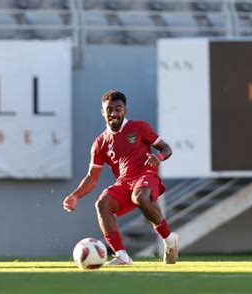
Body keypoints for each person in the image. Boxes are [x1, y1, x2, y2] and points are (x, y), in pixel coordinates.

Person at [63, 89, 179, 265]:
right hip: (124, 182)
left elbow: (166, 148)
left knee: (139, 197)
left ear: (125, 110)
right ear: (103, 112)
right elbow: (92, 178)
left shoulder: (139, 127)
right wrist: (75, 195)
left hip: (145, 174)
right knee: (102, 204)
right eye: (109, 109)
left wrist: (159, 158)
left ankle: (169, 240)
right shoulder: (100, 143)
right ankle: (122, 255)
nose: (113, 113)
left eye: (118, 109)